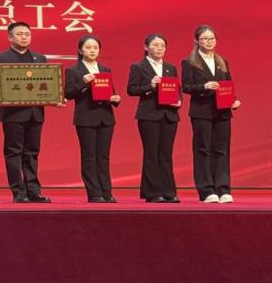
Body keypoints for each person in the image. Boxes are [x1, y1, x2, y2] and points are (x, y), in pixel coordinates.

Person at [0, 21, 52, 203]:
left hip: (35, 112)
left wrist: (55, 97)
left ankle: (34, 191)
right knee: (14, 152)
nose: (24, 37)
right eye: (19, 34)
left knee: (32, 152)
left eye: (27, 34)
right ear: (9, 37)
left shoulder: (40, 58)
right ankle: (18, 191)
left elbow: (48, 84)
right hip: (13, 114)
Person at [181, 25, 242, 203]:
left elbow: (228, 85)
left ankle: (223, 189)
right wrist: (204, 86)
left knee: (221, 150)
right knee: (203, 150)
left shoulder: (222, 61)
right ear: (196, 41)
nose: (209, 42)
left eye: (212, 39)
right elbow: (187, 87)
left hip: (223, 111)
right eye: (205, 39)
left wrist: (234, 101)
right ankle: (206, 190)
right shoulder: (189, 62)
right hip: (202, 111)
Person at [64, 35, 121, 203]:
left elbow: (110, 92)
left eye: (95, 48)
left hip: (105, 117)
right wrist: (83, 82)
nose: (92, 50)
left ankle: (107, 192)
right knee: (89, 156)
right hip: (86, 118)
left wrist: (116, 99)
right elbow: (68, 94)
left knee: (103, 156)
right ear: (80, 50)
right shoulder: (74, 71)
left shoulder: (105, 69)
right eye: (88, 47)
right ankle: (94, 193)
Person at [127, 33, 182, 203]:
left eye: (162, 46)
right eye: (155, 45)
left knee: (166, 154)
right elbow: (131, 89)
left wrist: (179, 101)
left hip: (169, 115)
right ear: (146, 47)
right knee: (151, 153)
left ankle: (169, 191)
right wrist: (150, 86)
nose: (159, 49)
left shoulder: (170, 67)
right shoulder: (139, 67)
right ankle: (153, 192)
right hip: (149, 115)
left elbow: (177, 88)